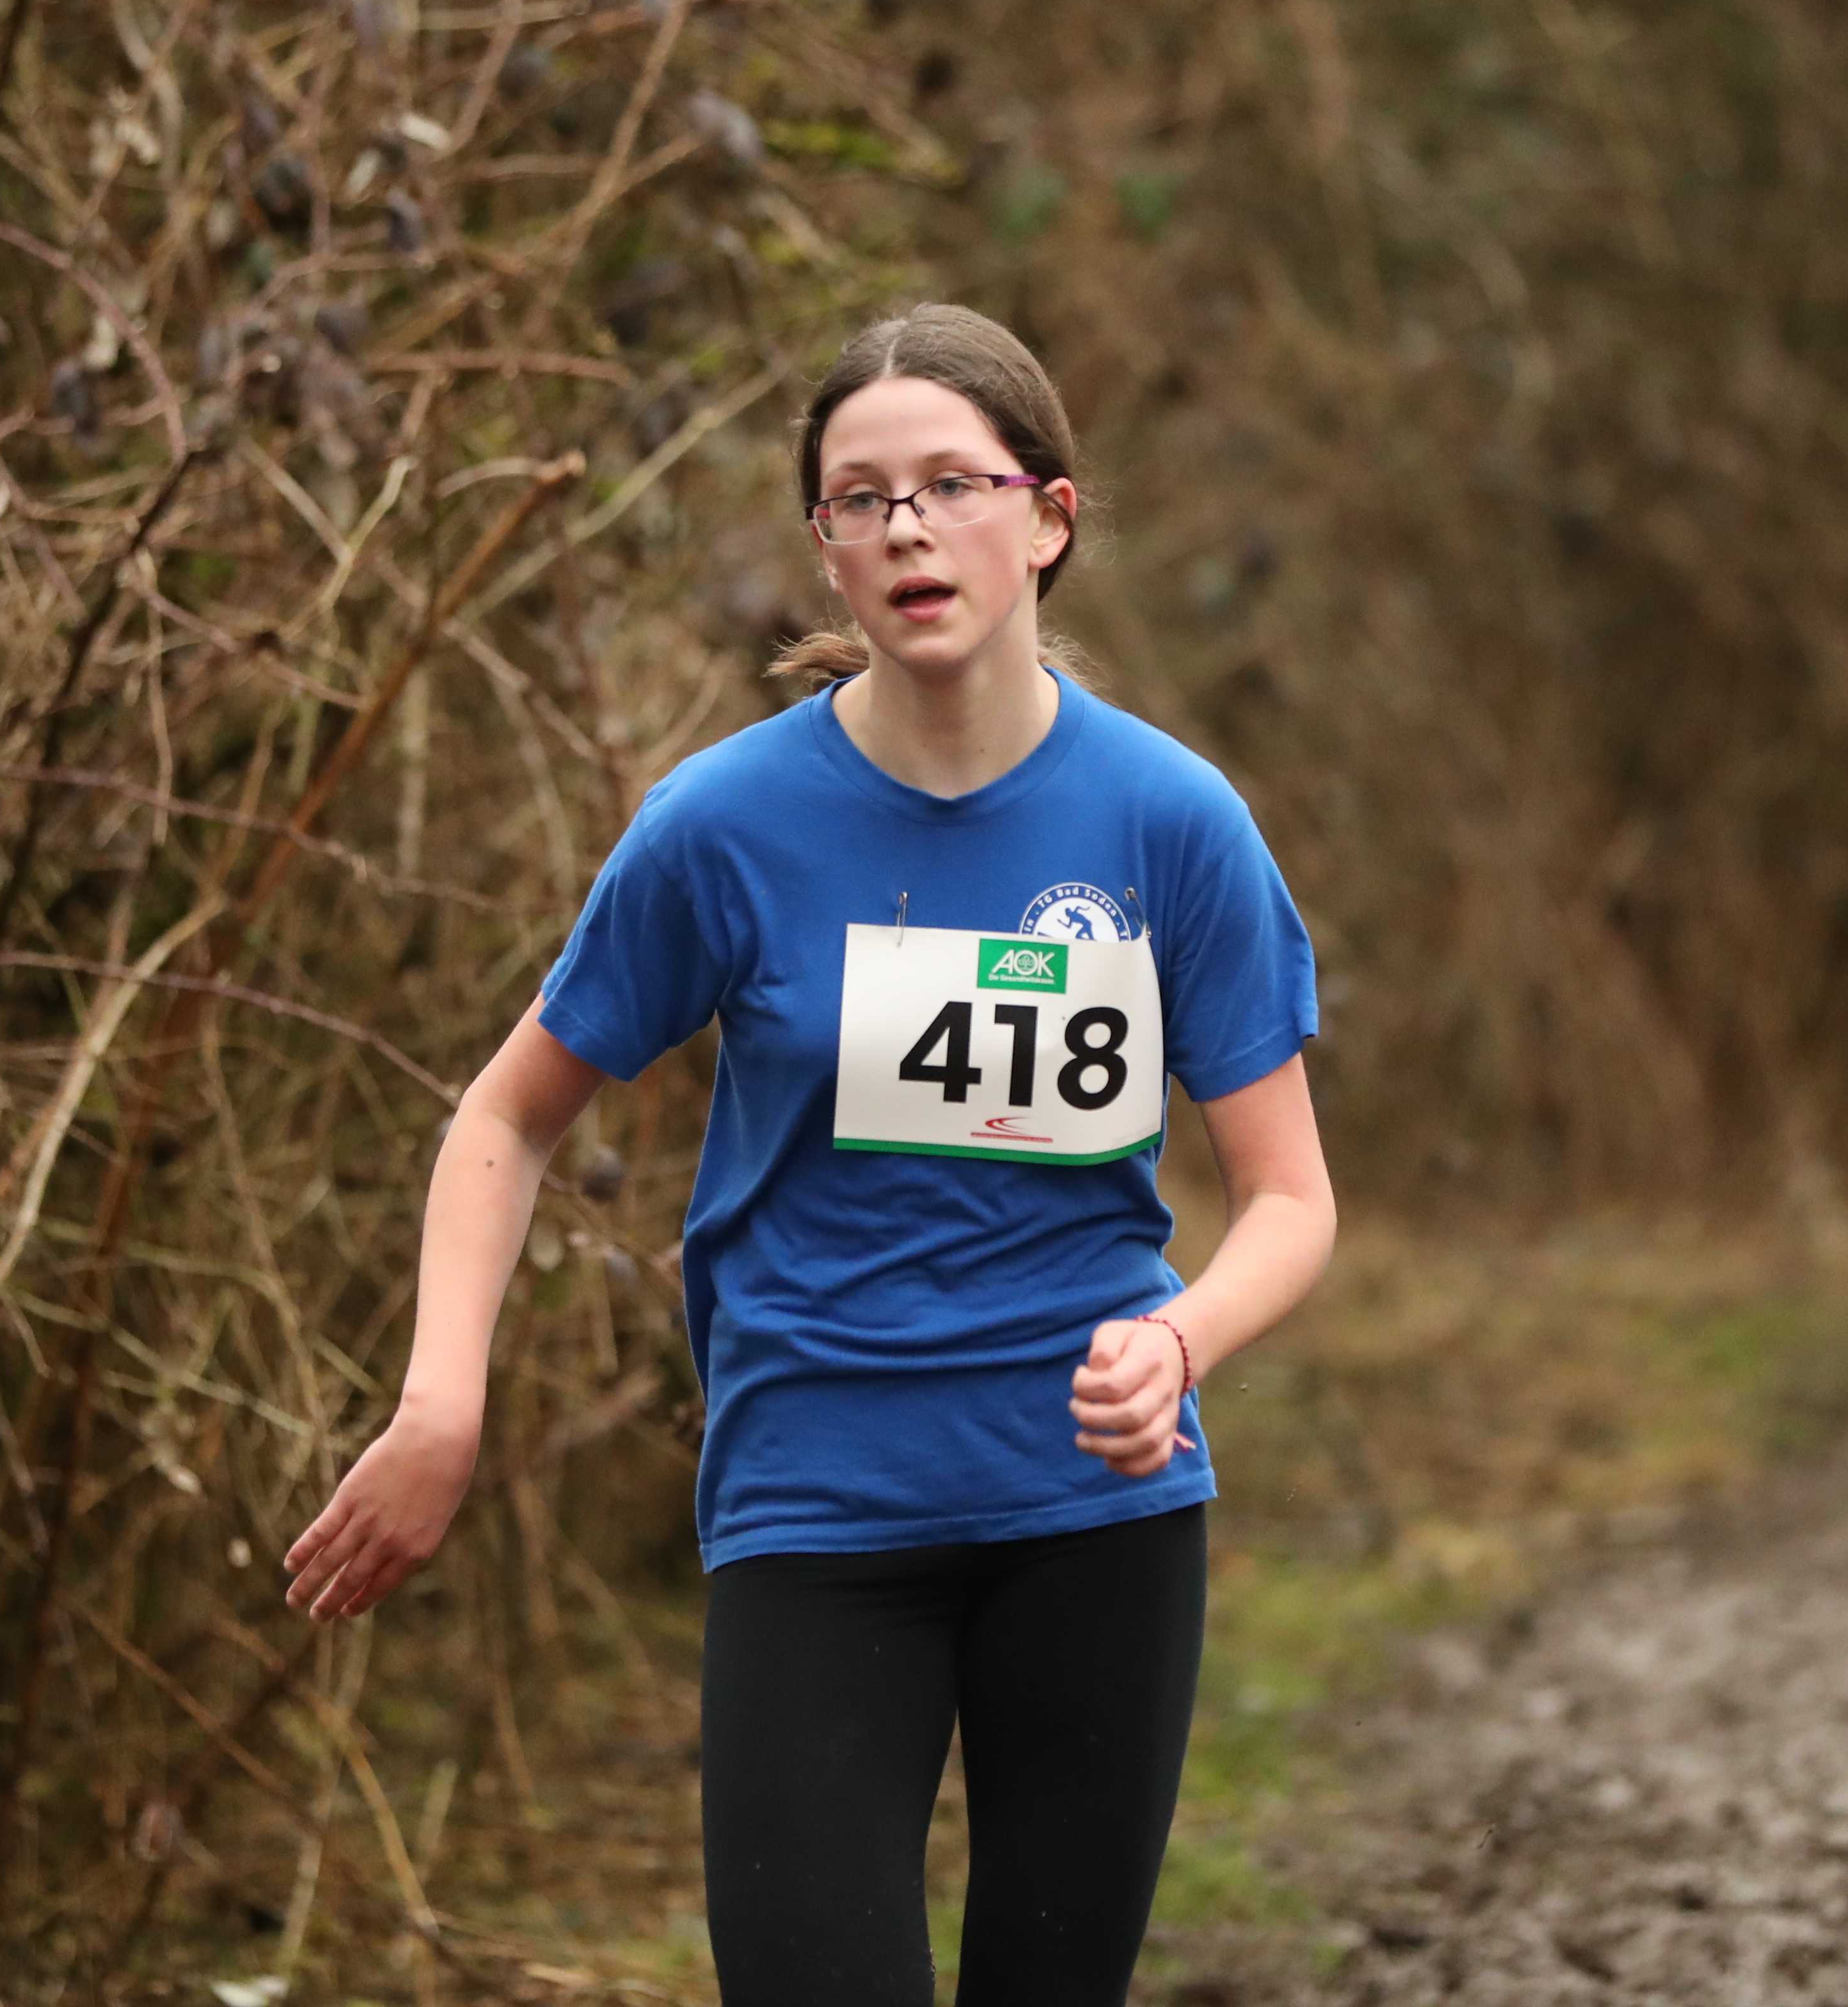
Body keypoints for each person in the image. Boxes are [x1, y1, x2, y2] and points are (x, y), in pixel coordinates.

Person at [281, 302, 1336, 2003]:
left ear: (1049, 519)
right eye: (862, 498)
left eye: (954, 484)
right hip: (817, 1505)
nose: (910, 527)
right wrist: (441, 1401)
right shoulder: (723, 827)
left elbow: (1288, 1199)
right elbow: (508, 1114)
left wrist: (1181, 1339)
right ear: (826, 549)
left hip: (1094, 1508)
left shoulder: (1171, 822)